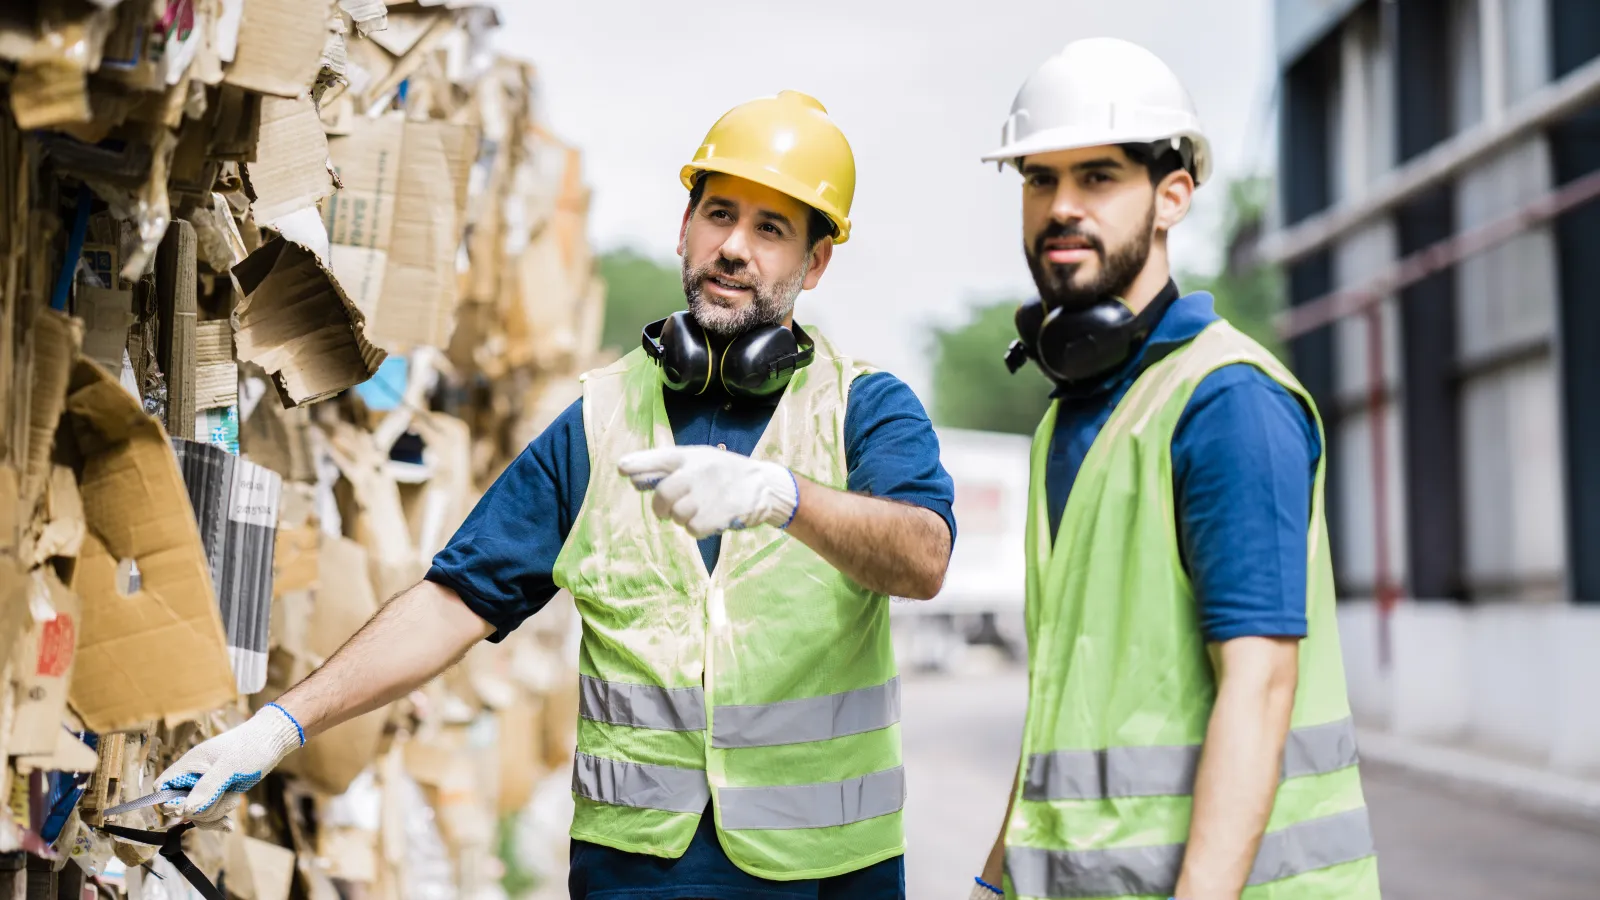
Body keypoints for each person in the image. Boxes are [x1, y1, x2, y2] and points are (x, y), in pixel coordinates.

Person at [158, 91, 955, 900]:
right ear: (685, 228)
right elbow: (454, 599)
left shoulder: (865, 409)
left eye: (771, 228)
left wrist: (786, 497)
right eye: (719, 215)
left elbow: (922, 557)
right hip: (635, 876)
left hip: (827, 876)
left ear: (816, 264)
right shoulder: (599, 422)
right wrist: (280, 726)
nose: (733, 247)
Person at [969, 39, 1380, 900]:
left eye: (1098, 177)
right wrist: (992, 880)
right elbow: (1059, 710)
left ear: (1172, 196)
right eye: (1040, 179)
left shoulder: (1226, 404)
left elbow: (1260, 688)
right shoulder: (1072, 418)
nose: (1061, 207)